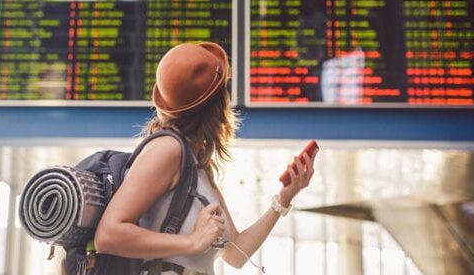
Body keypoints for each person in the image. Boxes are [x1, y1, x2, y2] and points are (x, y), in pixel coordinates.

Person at [93, 42, 316, 275]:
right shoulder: (167, 149)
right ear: (220, 102)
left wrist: (283, 199)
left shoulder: (195, 166)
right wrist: (192, 242)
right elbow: (108, 234)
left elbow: (235, 254)